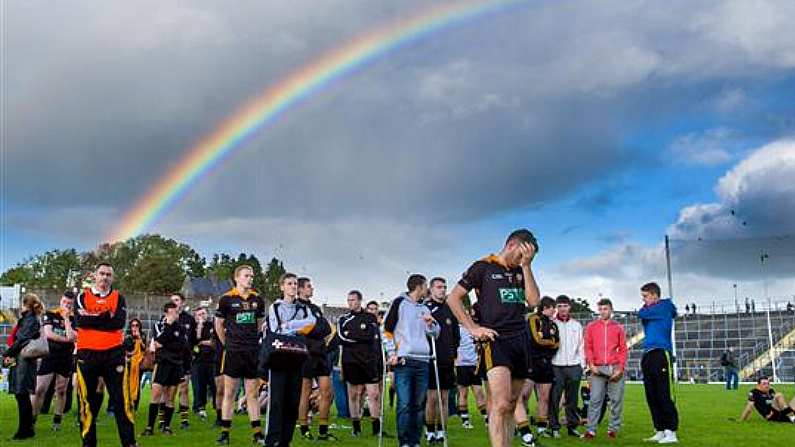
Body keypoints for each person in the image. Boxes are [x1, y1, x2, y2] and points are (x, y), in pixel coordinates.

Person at [446, 228, 541, 447]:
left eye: (527, 258)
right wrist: (473, 328)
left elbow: (534, 302)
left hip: (521, 341)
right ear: (511, 246)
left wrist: (527, 266)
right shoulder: (483, 267)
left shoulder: (521, 270)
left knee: (511, 404)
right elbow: (454, 298)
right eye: (521, 255)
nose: (521, 260)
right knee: (499, 405)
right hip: (495, 341)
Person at [74, 263, 137, 447]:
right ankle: (88, 443)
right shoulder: (82, 296)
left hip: (113, 354)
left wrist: (92, 318)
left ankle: (129, 442)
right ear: (94, 275)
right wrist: (104, 316)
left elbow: (117, 323)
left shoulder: (119, 298)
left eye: (109, 274)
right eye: (101, 273)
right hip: (87, 354)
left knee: (121, 400)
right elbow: (80, 321)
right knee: (86, 402)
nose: (104, 277)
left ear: (113, 278)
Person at [384, 274, 440, 447]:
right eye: (425, 286)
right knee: (405, 404)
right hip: (404, 360)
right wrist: (392, 352)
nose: (427, 289)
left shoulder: (425, 308)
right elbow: (386, 330)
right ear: (418, 287)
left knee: (418, 404)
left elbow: (435, 334)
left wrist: (432, 324)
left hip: (423, 360)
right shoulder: (399, 303)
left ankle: (415, 441)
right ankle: (405, 442)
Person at [215, 265, 267, 445]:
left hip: (252, 352)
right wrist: (227, 345)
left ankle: (257, 434)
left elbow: (260, 324)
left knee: (252, 394)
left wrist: (251, 340)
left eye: (252, 276)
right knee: (230, 393)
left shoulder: (258, 299)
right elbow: (218, 325)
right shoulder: (226, 299)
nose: (250, 279)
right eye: (246, 276)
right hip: (234, 352)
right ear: (237, 278)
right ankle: (224, 433)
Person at [264, 272, 317, 447]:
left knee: (293, 400)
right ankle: (272, 439)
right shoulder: (275, 307)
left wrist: (290, 325)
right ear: (282, 287)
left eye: (295, 283)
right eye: (289, 283)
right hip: (279, 357)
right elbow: (275, 328)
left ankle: (286, 440)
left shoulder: (303, 308)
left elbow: (311, 323)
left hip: (297, 357)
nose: (293, 286)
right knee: (277, 401)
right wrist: (296, 327)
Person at [638, 282, 679, 444]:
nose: (643, 300)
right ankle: (660, 429)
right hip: (648, 353)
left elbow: (641, 314)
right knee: (651, 394)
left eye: (645, 296)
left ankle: (671, 432)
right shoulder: (651, 309)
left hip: (661, 353)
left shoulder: (665, 306)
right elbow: (643, 313)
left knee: (663, 394)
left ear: (655, 296)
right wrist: (645, 308)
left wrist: (645, 309)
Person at [338, 290, 382, 437]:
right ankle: (356, 428)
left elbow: (371, 336)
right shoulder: (343, 319)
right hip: (350, 361)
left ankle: (376, 429)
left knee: (374, 394)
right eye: (348, 300)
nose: (350, 303)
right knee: (353, 394)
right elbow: (341, 338)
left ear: (360, 301)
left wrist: (354, 335)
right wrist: (360, 337)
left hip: (368, 361)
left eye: (353, 300)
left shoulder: (370, 317)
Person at [295, 277, 335, 441]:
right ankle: (304, 429)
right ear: (301, 289)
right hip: (305, 353)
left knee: (326, 391)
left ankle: (323, 431)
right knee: (304, 392)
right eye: (309, 287)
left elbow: (325, 328)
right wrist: (312, 329)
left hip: (320, 353)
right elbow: (300, 329)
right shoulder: (295, 307)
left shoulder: (315, 308)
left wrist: (313, 329)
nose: (312, 289)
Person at [582, 298, 627, 440]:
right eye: (600, 309)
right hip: (597, 368)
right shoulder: (591, 327)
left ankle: (613, 428)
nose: (602, 312)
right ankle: (591, 430)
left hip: (614, 367)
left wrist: (620, 368)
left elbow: (623, 349)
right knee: (595, 399)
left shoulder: (618, 328)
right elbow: (588, 347)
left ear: (611, 310)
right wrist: (591, 365)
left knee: (616, 400)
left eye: (605, 309)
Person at [32, 291, 76, 431]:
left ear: (72, 305)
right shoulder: (50, 314)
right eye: (64, 302)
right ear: (60, 301)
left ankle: (57, 422)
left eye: (69, 304)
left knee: (61, 390)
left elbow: (73, 336)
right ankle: (32, 420)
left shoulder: (75, 319)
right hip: (50, 355)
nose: (66, 305)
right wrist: (67, 339)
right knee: (39, 389)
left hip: (66, 357)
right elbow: (49, 334)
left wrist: (67, 319)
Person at [142, 301, 187, 436]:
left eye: (177, 312)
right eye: (173, 312)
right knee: (156, 394)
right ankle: (150, 427)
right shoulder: (159, 325)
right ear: (166, 313)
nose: (176, 315)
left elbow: (180, 346)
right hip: (162, 363)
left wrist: (167, 343)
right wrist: (168, 326)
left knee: (170, 396)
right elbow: (158, 342)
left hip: (176, 364)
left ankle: (166, 426)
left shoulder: (181, 328)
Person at [3, 293, 44, 440]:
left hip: (24, 361)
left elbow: (22, 339)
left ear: (25, 304)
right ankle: (27, 430)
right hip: (22, 360)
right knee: (21, 395)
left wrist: (7, 352)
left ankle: (24, 431)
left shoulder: (30, 319)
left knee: (22, 395)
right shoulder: (29, 319)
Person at [424, 277, 460, 445]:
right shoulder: (425, 308)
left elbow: (456, 336)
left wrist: (452, 354)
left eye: (444, 287)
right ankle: (430, 430)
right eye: (439, 287)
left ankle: (441, 431)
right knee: (431, 398)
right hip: (431, 360)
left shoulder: (450, 309)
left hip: (447, 360)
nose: (442, 290)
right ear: (431, 289)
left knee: (444, 398)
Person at [549, 295, 585, 438]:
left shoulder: (576, 325)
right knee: (555, 398)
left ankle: (572, 427)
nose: (562, 308)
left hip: (574, 366)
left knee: (572, 399)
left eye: (565, 306)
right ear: (556, 308)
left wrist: (581, 365)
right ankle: (554, 427)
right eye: (560, 306)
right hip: (556, 366)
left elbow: (581, 346)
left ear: (570, 307)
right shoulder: (552, 323)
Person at [525, 296, 559, 439]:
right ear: (546, 308)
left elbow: (557, 344)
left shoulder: (553, 325)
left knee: (544, 398)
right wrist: (549, 342)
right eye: (553, 308)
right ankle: (520, 425)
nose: (555, 311)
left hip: (546, 364)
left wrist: (548, 343)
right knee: (523, 395)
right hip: (531, 362)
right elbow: (535, 339)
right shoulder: (533, 319)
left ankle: (541, 428)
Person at [455, 309, 487, 430]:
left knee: (479, 392)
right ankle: (465, 420)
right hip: (461, 364)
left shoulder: (476, 328)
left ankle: (487, 419)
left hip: (475, 364)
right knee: (463, 393)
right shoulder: (457, 329)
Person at [170, 293, 197, 429]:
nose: (174, 302)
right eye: (172, 300)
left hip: (185, 359)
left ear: (182, 302)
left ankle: (184, 420)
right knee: (170, 390)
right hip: (170, 358)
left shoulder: (190, 319)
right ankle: (165, 422)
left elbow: (193, 340)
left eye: (176, 300)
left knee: (184, 389)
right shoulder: (166, 319)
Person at [191, 306, 216, 419]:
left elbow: (214, 342)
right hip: (198, 361)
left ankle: (218, 407)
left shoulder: (213, 325)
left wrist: (202, 342)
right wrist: (199, 327)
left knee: (214, 385)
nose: (202, 316)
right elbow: (195, 341)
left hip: (212, 360)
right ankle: (200, 407)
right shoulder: (193, 327)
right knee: (199, 386)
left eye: (203, 314)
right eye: (199, 314)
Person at [123, 318, 146, 411]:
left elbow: (144, 348)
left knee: (137, 383)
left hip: (139, 363)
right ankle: (127, 403)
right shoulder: (128, 336)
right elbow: (124, 348)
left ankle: (135, 404)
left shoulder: (143, 335)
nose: (135, 327)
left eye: (137, 325)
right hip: (129, 362)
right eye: (133, 325)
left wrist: (139, 338)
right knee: (127, 383)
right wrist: (129, 354)